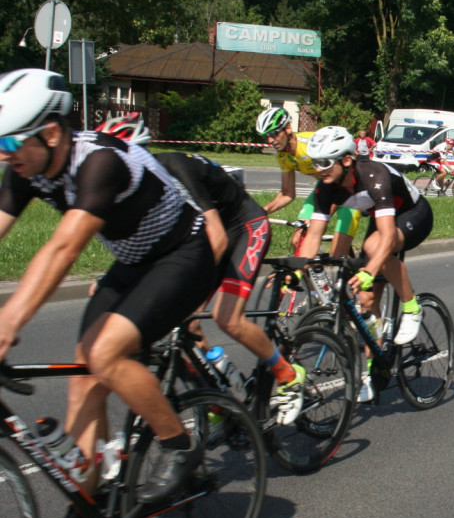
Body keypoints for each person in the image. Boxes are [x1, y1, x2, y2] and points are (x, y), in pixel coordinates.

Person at [0, 70, 221, 514]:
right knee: (83, 380)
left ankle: (179, 446)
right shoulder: (27, 166)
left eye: (8, 143)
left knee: (104, 355)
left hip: (183, 254)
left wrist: (8, 322)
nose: (4, 156)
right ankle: (89, 505)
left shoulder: (100, 161)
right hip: (134, 262)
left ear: (50, 132)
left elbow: (63, 247)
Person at [95, 116, 307, 426]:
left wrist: (185, 282)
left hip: (245, 227)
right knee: (186, 324)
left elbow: (218, 237)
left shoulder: (174, 168)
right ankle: (220, 389)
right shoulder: (137, 188)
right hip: (207, 236)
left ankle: (288, 374)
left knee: (227, 318)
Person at [299, 126, 434, 403]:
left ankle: (411, 307)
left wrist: (371, 269)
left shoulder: (374, 175)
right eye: (315, 163)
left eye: (324, 163)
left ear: (346, 160)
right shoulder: (327, 187)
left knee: (374, 248)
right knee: (366, 298)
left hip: (413, 213)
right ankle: (373, 368)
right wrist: (298, 269)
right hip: (383, 217)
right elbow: (312, 236)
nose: (318, 170)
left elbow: (385, 237)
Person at [254, 107, 360, 255]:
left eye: (274, 133)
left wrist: (318, 218)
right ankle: (312, 271)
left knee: (337, 251)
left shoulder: (310, 143)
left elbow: (344, 174)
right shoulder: (283, 156)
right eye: (266, 136)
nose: (271, 140)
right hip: (325, 188)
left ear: (288, 128)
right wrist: (260, 212)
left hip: (349, 191)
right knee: (297, 240)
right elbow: (287, 193)